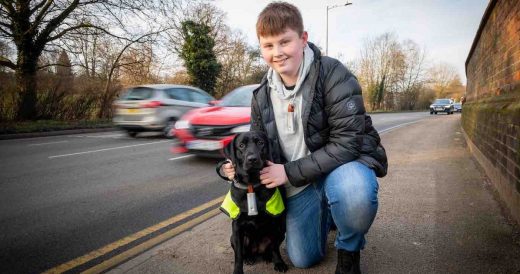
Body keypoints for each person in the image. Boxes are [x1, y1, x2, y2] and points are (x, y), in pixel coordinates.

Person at [220, 2, 387, 273]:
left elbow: (349, 142)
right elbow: (256, 144)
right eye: (268, 45)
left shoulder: (333, 74)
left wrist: (287, 172)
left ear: (303, 39)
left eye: (284, 42)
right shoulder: (261, 94)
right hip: (300, 186)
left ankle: (349, 249)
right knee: (302, 257)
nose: (277, 53)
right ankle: (330, 214)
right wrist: (227, 167)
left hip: (338, 170)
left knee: (354, 193)